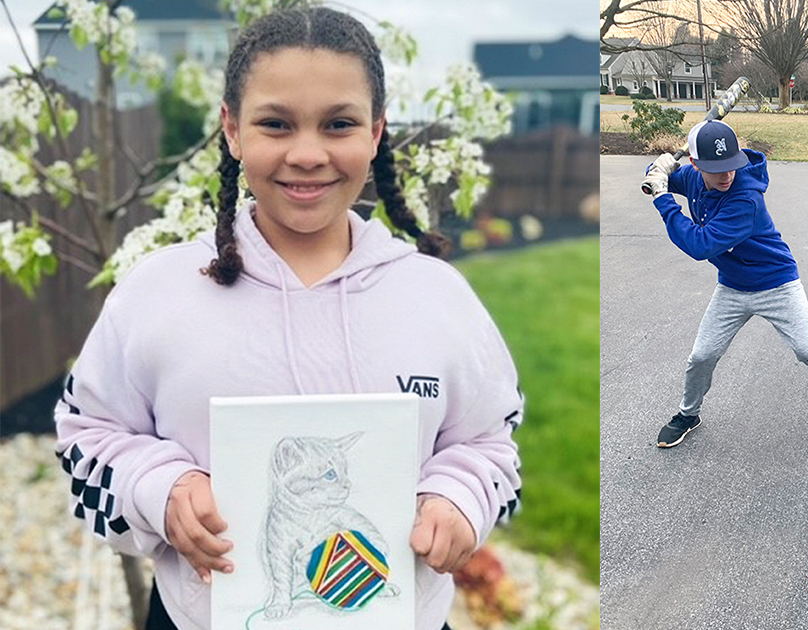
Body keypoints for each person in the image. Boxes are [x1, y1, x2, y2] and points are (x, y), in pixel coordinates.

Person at [53, 7, 521, 630]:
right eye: (276, 124)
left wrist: (459, 497)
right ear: (232, 130)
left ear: (376, 133)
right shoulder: (158, 293)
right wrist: (158, 489)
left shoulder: (437, 297)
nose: (307, 154)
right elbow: (84, 435)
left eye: (338, 124)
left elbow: (490, 441)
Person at [642, 119, 808, 448]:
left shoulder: (745, 199)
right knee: (702, 356)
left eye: (732, 166)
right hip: (733, 288)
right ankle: (688, 414)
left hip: (777, 283)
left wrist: (662, 199)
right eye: (717, 168)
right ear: (695, 164)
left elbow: (700, 245)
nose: (726, 175)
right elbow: (662, 177)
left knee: (807, 350)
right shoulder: (695, 178)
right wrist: (659, 166)